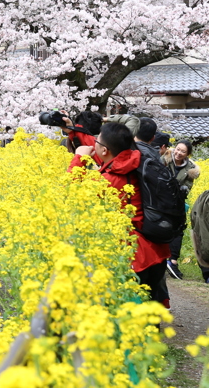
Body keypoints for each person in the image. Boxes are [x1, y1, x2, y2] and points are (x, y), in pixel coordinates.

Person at [73, 122, 171, 307]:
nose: (94, 143)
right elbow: (108, 154)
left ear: (104, 150)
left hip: (133, 256)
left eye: (96, 141)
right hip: (155, 250)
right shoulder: (133, 161)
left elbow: (71, 192)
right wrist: (74, 131)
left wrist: (79, 158)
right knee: (149, 311)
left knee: (130, 315)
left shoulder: (110, 180)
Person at [162, 139, 200, 279]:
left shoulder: (191, 169)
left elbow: (188, 187)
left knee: (178, 230)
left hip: (177, 202)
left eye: (183, 151)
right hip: (159, 200)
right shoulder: (164, 159)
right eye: (177, 149)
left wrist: (182, 190)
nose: (178, 153)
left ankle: (172, 261)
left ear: (188, 154)